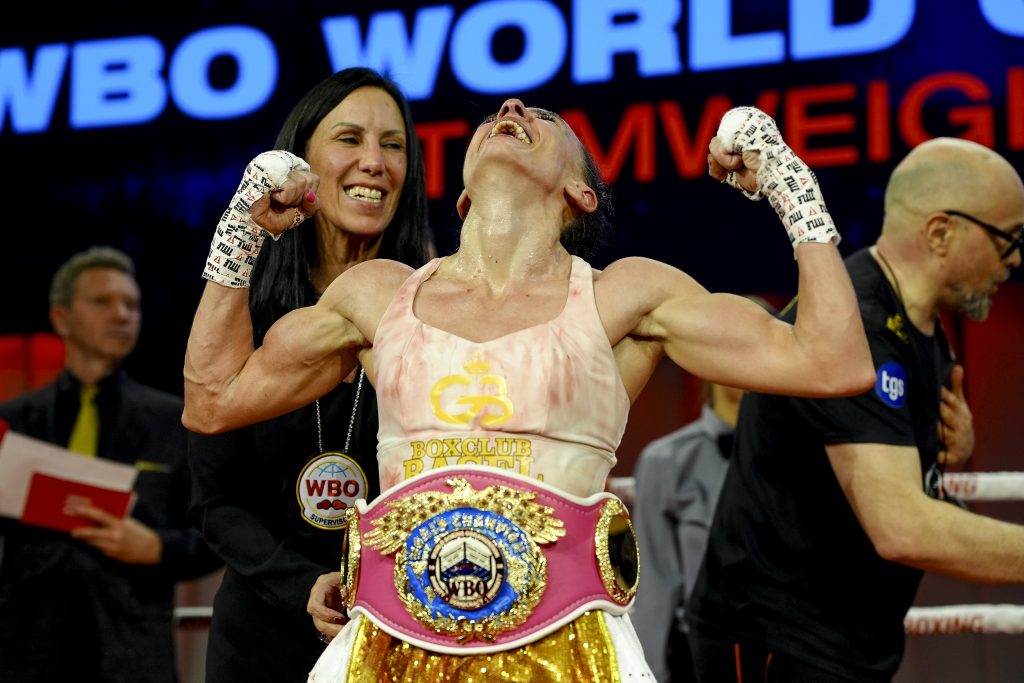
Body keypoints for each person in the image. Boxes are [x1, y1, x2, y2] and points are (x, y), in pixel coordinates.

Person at [183, 104, 875, 680]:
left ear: (580, 192)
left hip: (572, 654)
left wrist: (789, 183)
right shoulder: (376, 295)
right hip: (388, 650)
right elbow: (213, 399)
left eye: (544, 117)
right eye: (494, 115)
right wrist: (241, 230)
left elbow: (832, 362)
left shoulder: (625, 297)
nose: (510, 109)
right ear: (462, 195)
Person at [686, 136, 1024, 682]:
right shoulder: (862, 326)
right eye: (1009, 238)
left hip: (844, 641)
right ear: (941, 232)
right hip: (778, 641)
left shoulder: (919, 323)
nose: (1015, 259)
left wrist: (938, 452)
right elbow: (902, 527)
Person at [186, 67, 433, 683]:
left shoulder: (435, 308)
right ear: (302, 162)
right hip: (260, 639)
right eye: (349, 139)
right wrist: (301, 582)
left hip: (404, 628)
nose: (374, 162)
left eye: (393, 145)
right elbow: (215, 497)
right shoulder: (242, 313)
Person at [0, 246, 222, 683]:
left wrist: (158, 548)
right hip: (25, 653)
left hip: (132, 652)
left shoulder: (177, 421)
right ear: (61, 319)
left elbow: (214, 533)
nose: (121, 314)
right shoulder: (15, 421)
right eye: (102, 302)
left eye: (131, 305)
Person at [631, 299, 776, 683]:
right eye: (734, 346)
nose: (745, 362)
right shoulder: (667, 461)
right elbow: (655, 584)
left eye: (759, 347)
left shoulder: (805, 459)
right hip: (697, 658)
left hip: (790, 654)